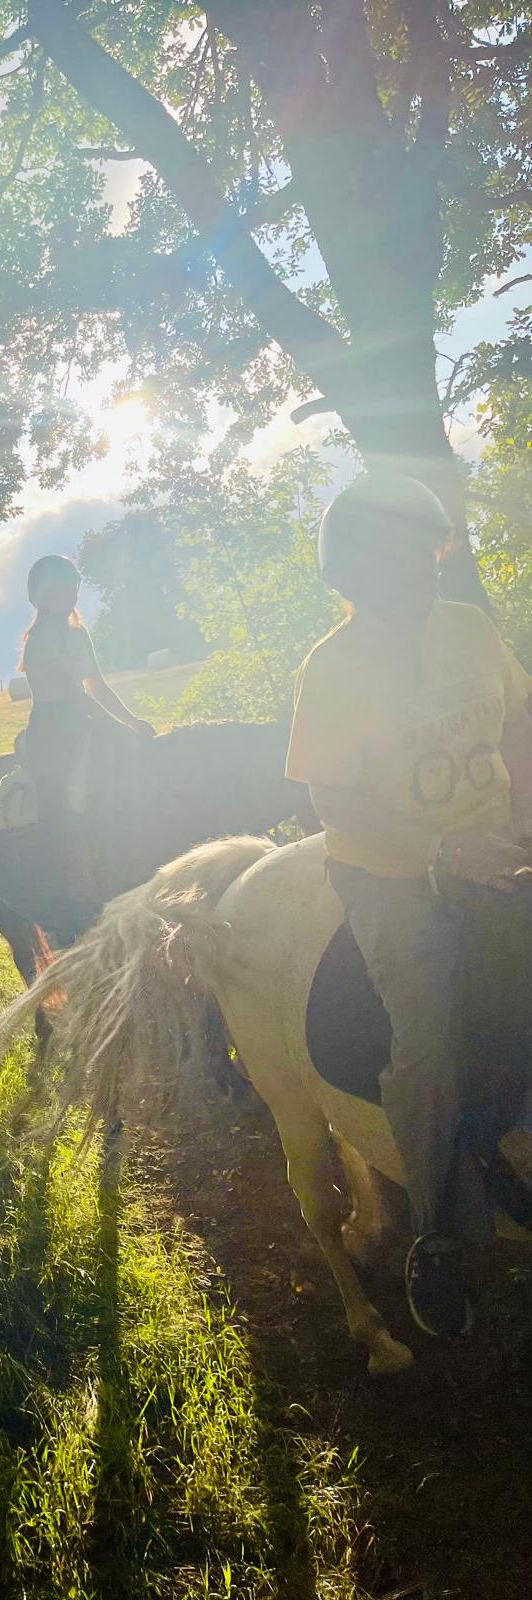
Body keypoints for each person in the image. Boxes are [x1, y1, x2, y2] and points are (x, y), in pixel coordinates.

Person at [286, 472, 532, 1338]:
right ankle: (436, 1230)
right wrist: (442, 850)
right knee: (426, 1033)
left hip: (498, 842)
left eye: (432, 545)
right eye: (404, 553)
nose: (429, 565)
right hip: (392, 871)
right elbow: (335, 804)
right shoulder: (333, 669)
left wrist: (526, 816)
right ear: (356, 570)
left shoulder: (470, 629)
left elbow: (520, 725)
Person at [20, 554, 154, 928]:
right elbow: (74, 695)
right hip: (53, 729)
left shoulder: (80, 634)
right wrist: (118, 729)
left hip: (86, 719)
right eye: (59, 587)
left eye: (73, 586)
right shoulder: (40, 640)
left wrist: (134, 722)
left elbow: (98, 685)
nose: (69, 594)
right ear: (39, 597)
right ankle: (67, 892)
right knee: (63, 801)